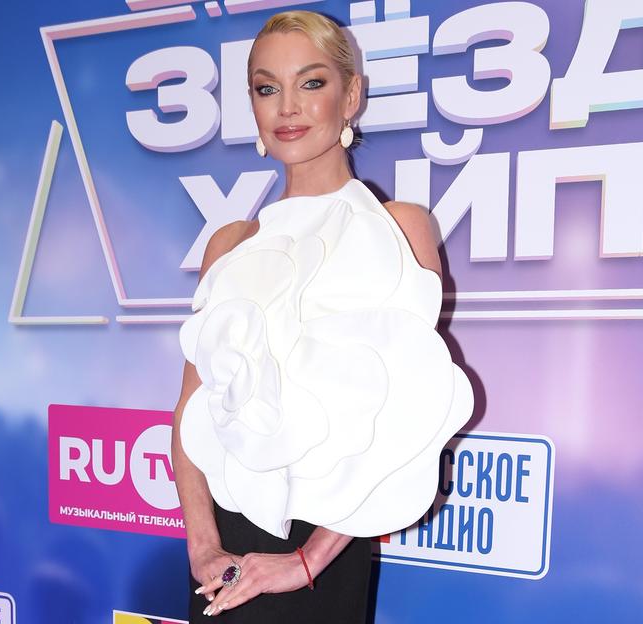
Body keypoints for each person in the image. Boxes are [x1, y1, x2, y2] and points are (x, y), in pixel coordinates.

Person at [172, 10, 474, 622]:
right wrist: (202, 547)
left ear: (351, 95)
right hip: (224, 554)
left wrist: (306, 561)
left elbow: (405, 417)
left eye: (311, 83)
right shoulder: (229, 243)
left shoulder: (399, 227)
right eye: (267, 88)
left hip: (327, 548)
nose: (287, 107)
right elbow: (189, 409)